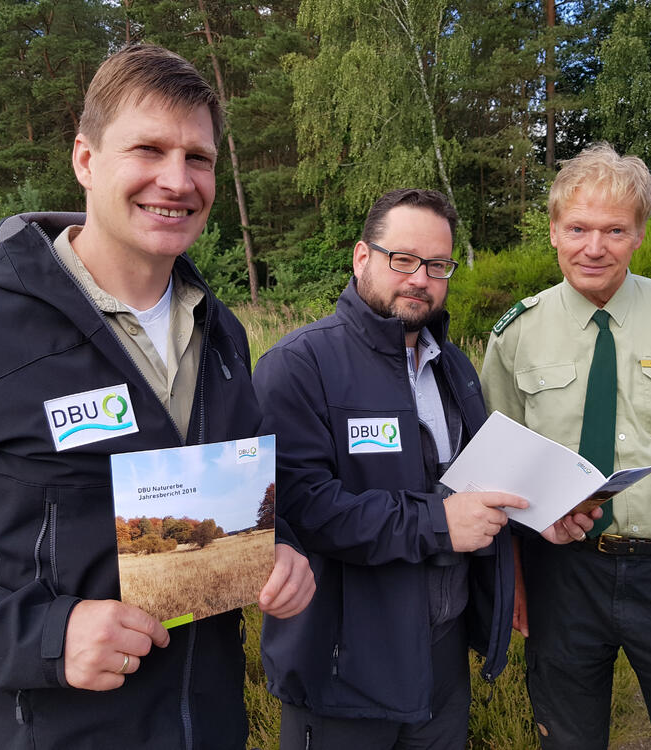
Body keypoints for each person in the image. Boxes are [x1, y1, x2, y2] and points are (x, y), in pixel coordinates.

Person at [0, 44, 314, 750]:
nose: (176, 179)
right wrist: (46, 634)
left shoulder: (223, 336)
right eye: (148, 149)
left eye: (199, 158)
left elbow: (213, 506)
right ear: (86, 160)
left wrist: (275, 551)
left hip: (207, 726)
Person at [253, 188, 591, 750]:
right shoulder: (298, 366)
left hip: (441, 652)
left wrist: (541, 513)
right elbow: (301, 508)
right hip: (343, 665)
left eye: (437, 265)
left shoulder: (452, 366)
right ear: (363, 257)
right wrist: (438, 523)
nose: (420, 278)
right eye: (402, 259)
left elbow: (479, 483)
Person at [480, 143, 651, 749]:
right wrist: (517, 582)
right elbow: (499, 468)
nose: (594, 246)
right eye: (577, 227)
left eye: (614, 230)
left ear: (639, 235)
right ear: (553, 232)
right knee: (568, 736)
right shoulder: (515, 335)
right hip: (561, 570)